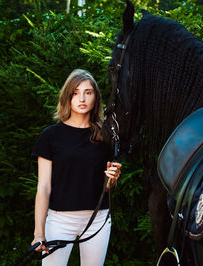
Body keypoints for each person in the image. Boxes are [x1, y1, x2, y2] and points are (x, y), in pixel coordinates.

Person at [31, 69, 122, 265]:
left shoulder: (105, 137)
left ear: (95, 97)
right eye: (75, 92)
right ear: (67, 97)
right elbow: (44, 187)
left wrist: (112, 181)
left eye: (88, 92)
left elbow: (107, 187)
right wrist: (39, 232)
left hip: (97, 220)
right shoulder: (50, 136)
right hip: (59, 220)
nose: (82, 98)